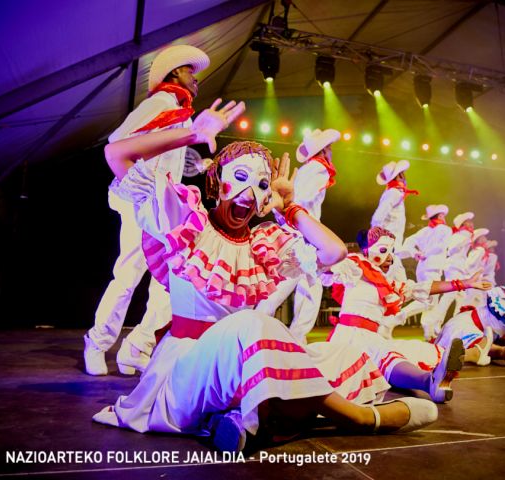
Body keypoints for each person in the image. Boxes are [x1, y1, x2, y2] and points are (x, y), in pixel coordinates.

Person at [92, 101, 438, 452]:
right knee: (252, 324)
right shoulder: (185, 219)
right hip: (188, 371)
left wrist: (290, 208)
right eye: (240, 178)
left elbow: (333, 253)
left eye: (261, 185)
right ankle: (359, 418)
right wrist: (193, 134)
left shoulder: (263, 243)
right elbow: (116, 153)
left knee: (340, 353)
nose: (250, 193)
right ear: (218, 182)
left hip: (240, 366)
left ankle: (233, 420)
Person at [84, 45, 210, 376]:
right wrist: (141, 186)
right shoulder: (159, 105)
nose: (195, 79)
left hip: (165, 205)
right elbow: (119, 141)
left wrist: (198, 166)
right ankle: (97, 343)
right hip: (142, 201)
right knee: (128, 275)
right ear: (175, 73)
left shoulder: (182, 115)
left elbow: (166, 162)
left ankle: (137, 346)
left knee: (172, 282)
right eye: (190, 72)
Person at [324, 226, 492, 402]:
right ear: (367, 250)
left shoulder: (387, 283)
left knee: (412, 350)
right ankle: (430, 382)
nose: (390, 257)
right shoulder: (354, 266)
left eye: (391, 251)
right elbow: (328, 264)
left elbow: (422, 288)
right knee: (385, 356)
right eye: (383, 251)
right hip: (349, 337)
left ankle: (452, 366)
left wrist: (464, 283)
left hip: (371, 337)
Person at [256, 128, 340, 344]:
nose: (331, 152)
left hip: (301, 233)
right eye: (329, 148)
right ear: (324, 150)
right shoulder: (317, 170)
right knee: (286, 280)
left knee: (310, 285)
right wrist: (306, 230)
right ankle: (257, 326)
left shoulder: (309, 169)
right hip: (302, 235)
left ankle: (295, 338)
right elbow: (301, 201)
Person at [436, 279, 505, 367]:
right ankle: (503, 352)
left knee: (493, 343)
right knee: (480, 348)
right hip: (464, 327)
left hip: (475, 330)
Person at [400, 204, 453, 338]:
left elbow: (408, 242)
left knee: (431, 303)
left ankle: (429, 334)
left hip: (422, 268)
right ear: (440, 216)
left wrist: (415, 253)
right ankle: (402, 314)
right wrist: (423, 253)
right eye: (443, 215)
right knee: (428, 301)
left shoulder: (424, 231)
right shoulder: (445, 230)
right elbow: (442, 247)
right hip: (433, 268)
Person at [371, 160, 418, 282]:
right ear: (399, 176)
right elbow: (377, 218)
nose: (405, 177)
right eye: (403, 174)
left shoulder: (395, 193)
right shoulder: (393, 193)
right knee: (386, 283)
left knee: (401, 286)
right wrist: (379, 239)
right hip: (389, 246)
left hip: (393, 248)